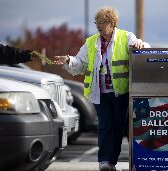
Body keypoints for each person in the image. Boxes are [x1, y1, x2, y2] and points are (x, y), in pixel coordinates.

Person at [54, 6, 150, 171]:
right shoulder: (91, 42)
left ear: (111, 23)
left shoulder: (125, 37)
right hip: (100, 94)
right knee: (105, 126)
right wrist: (68, 60)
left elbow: (143, 48)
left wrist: (141, 44)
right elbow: (80, 63)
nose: (98, 25)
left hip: (121, 93)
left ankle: (111, 161)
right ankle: (105, 162)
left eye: (101, 22)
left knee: (118, 128)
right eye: (96, 22)